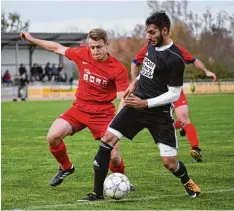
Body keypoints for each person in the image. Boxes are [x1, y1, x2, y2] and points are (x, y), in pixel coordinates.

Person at [81, 11, 201, 201]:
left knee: (169, 163)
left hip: (159, 114)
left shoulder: (175, 59)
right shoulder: (151, 46)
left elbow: (174, 93)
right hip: (135, 104)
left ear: (165, 30)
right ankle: (97, 194)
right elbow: (147, 70)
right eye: (147, 32)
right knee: (107, 141)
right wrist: (135, 82)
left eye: (152, 32)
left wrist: (145, 103)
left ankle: (186, 180)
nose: (148, 36)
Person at [20, 28, 134, 188]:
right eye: (92, 47)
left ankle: (121, 180)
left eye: (99, 47)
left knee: (114, 156)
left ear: (107, 44)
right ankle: (66, 167)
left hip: (103, 114)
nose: (95, 51)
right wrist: (32, 39)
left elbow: (124, 97)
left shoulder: (117, 68)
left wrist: (121, 119)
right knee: (53, 136)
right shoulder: (82, 54)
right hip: (79, 109)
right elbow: (56, 48)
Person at [131, 43, 217, 162]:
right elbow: (135, 63)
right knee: (157, 120)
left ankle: (195, 148)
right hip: (156, 92)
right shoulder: (148, 48)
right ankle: (180, 125)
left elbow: (194, 60)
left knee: (184, 117)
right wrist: (134, 82)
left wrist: (206, 71)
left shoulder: (175, 49)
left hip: (174, 89)